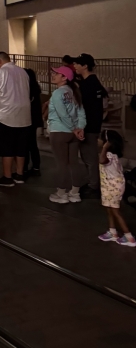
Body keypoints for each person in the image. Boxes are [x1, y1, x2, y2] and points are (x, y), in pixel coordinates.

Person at [0, 52, 31, 187]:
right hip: (24, 116)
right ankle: (20, 175)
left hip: (5, 116)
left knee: (7, 148)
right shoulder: (23, 72)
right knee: (20, 147)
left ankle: (7, 177)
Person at [47, 65, 86, 204]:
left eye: (57, 73)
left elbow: (61, 114)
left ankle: (61, 194)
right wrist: (79, 128)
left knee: (61, 164)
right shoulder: (74, 92)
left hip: (59, 132)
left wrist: (73, 128)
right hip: (73, 133)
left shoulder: (58, 94)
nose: (53, 75)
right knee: (74, 163)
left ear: (64, 78)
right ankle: (75, 193)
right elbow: (81, 112)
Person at [74, 53, 108, 199]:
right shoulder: (92, 82)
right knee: (88, 155)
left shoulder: (88, 84)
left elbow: (86, 107)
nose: (74, 66)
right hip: (91, 124)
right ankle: (92, 182)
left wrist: (81, 126)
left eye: (77, 64)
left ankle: (94, 186)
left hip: (89, 125)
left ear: (85, 66)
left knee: (89, 156)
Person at [97, 130, 135, 246]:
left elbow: (102, 161)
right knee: (109, 209)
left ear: (107, 143)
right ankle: (112, 232)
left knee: (115, 211)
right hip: (109, 186)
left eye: (100, 138)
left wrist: (104, 148)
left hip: (112, 187)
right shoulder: (113, 155)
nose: (98, 140)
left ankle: (129, 237)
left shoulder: (108, 155)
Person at [25, 68, 43, 177]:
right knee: (33, 144)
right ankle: (36, 166)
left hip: (28, 119)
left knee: (26, 144)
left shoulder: (28, 89)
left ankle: (25, 167)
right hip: (35, 119)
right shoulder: (36, 88)